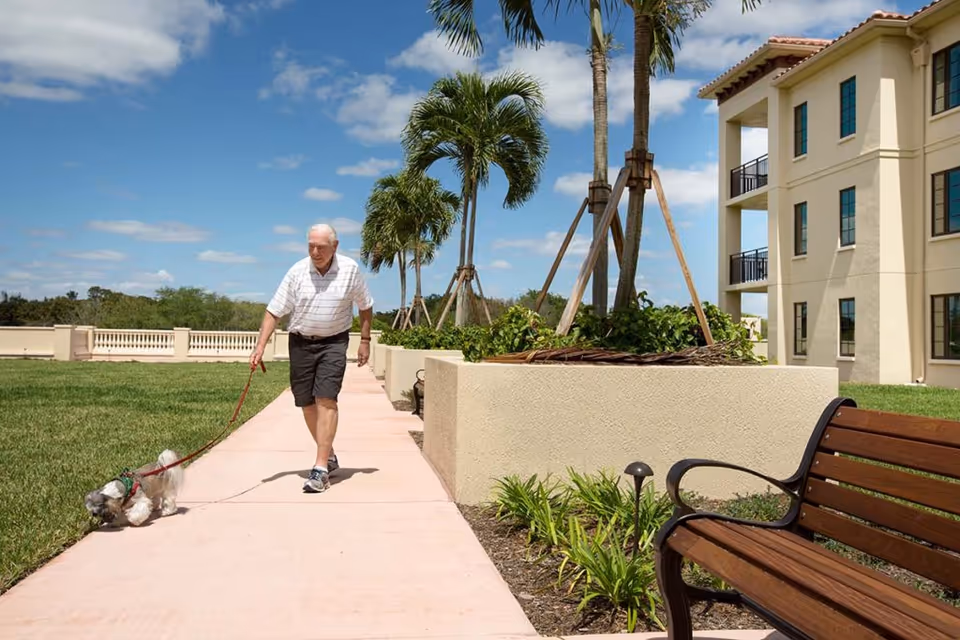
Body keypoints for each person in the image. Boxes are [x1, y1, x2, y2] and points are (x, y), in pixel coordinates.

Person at [250, 223, 374, 493]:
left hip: (334, 342)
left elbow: (365, 306)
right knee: (306, 403)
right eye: (310, 246)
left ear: (335, 246)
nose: (315, 252)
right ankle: (328, 455)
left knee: (326, 398)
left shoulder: (350, 270)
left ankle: (319, 468)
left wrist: (364, 341)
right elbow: (274, 311)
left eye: (321, 247)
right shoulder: (297, 272)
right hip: (301, 343)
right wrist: (260, 346)